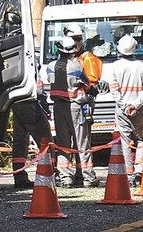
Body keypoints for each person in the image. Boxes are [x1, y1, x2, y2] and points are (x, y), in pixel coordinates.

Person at [45, 36, 98, 187]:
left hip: (58, 108)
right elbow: (87, 84)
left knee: (63, 144)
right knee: (82, 143)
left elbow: (50, 80)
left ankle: (66, 178)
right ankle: (88, 178)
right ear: (73, 51)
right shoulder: (77, 66)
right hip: (75, 107)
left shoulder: (51, 66)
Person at [108, 34, 143, 186]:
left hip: (122, 111)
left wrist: (124, 106)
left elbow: (114, 90)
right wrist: (136, 105)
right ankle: (139, 170)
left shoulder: (114, 67)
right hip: (138, 110)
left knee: (126, 141)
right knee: (142, 139)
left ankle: (129, 173)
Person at [11, 61, 52, 189]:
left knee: (20, 142)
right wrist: (45, 106)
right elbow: (39, 90)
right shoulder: (31, 64)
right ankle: (49, 174)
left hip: (16, 103)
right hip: (30, 103)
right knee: (46, 140)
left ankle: (19, 176)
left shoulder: (16, 66)